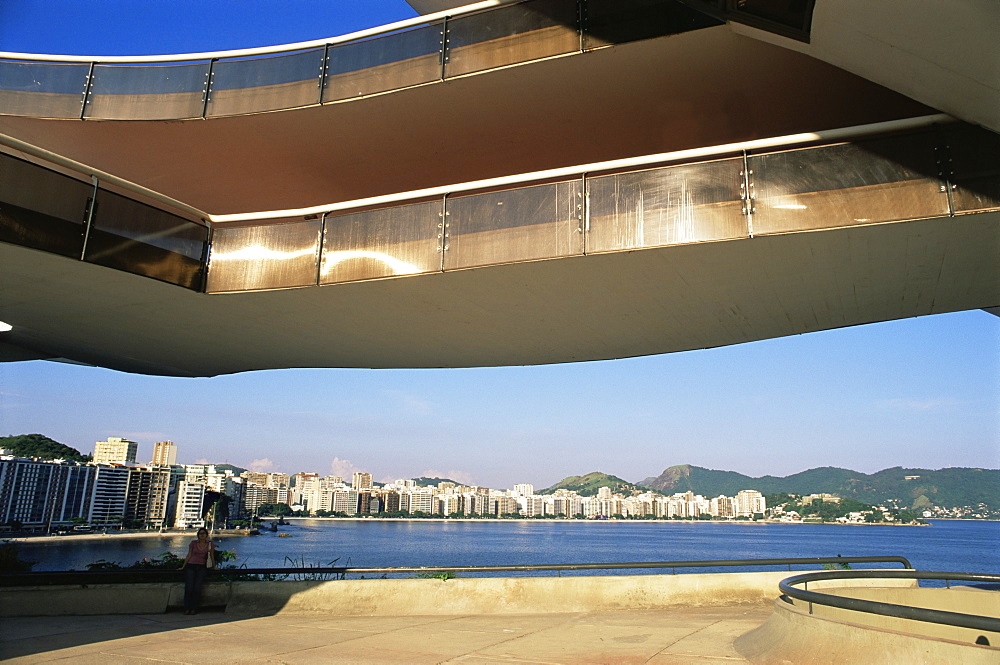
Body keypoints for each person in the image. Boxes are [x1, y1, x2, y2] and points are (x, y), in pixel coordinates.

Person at [179, 527, 215, 615]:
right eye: (200, 533)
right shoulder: (193, 543)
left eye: (203, 533)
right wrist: (183, 566)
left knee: (197, 588)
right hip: (191, 566)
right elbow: (189, 555)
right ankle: (187, 608)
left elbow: (211, 556)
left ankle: (194, 608)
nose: (202, 535)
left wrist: (214, 566)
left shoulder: (210, 544)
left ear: (206, 535)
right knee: (189, 588)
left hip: (202, 567)